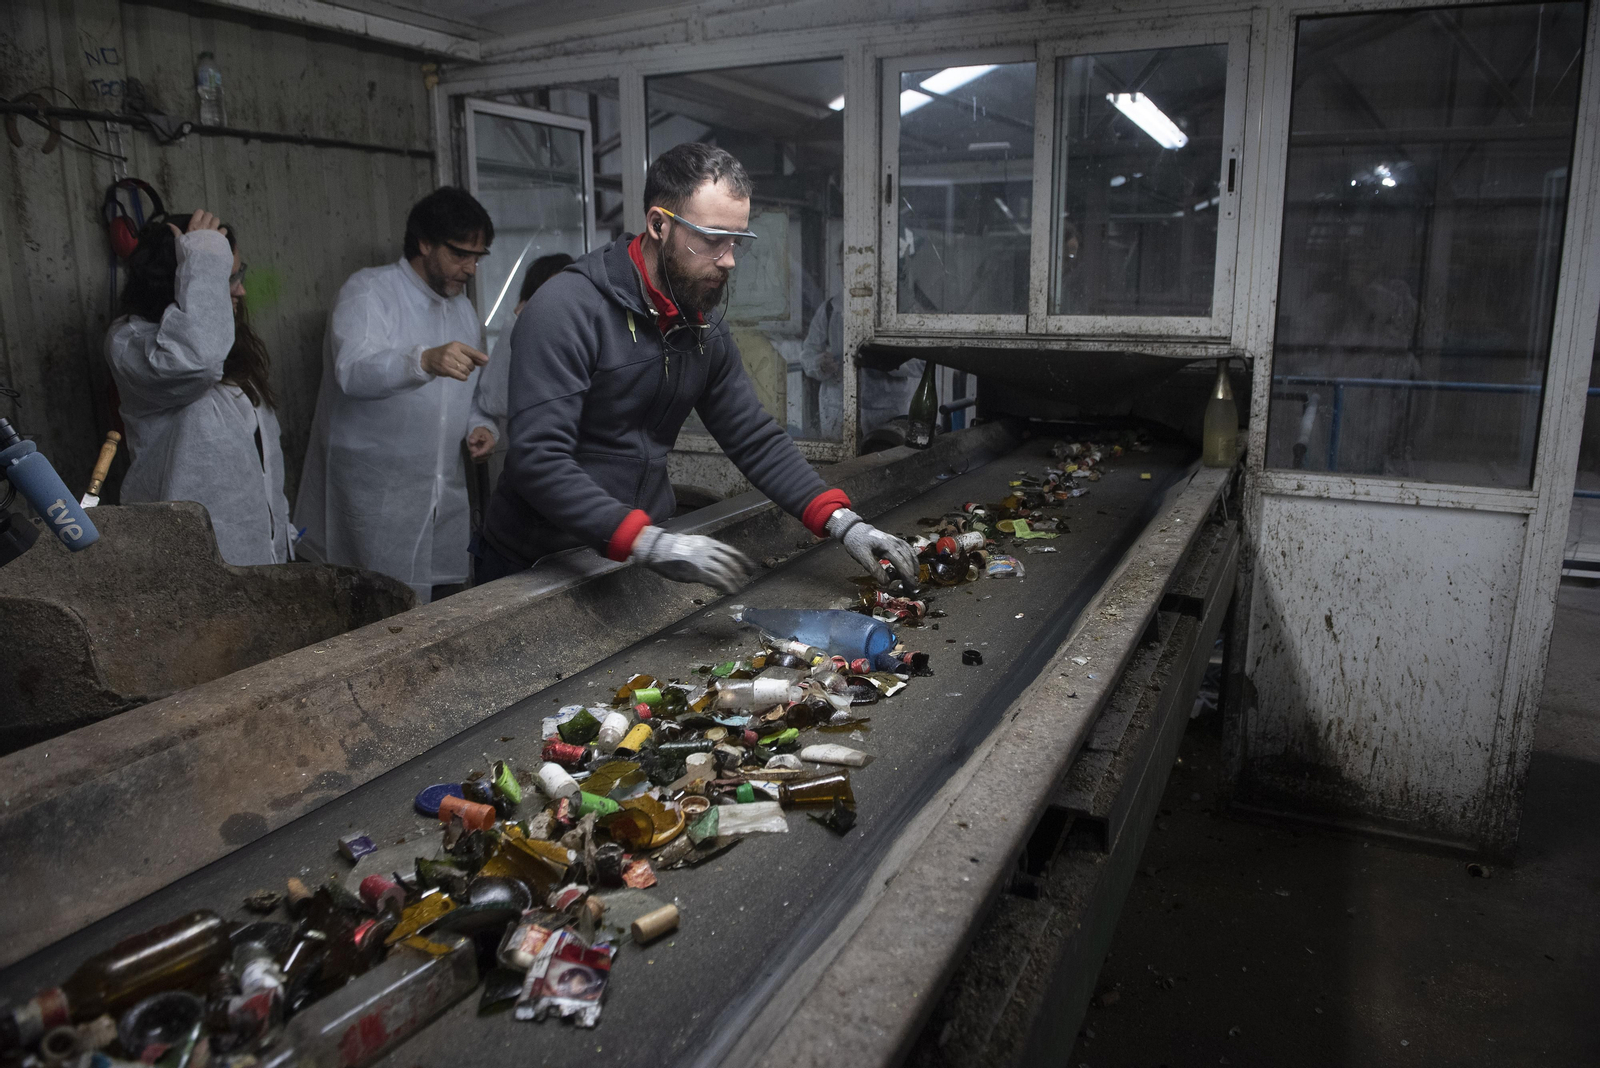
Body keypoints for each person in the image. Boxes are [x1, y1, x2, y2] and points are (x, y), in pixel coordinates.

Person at [477, 142, 918, 594]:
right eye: (711, 239)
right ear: (658, 225)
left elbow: (752, 436)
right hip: (536, 563)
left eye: (737, 242)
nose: (727, 259)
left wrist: (843, 522)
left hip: (627, 555)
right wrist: (648, 542)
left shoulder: (699, 325)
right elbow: (539, 460)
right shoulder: (566, 310)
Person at [295, 187, 493, 602]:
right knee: (372, 613)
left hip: (441, 497)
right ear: (424, 243)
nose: (471, 269)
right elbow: (352, 370)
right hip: (374, 501)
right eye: (461, 254)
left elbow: (468, 396)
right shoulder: (369, 291)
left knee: (437, 611)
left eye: (478, 257)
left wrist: (479, 425)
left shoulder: (463, 311)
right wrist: (421, 361)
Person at [106, 209, 292, 565]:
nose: (242, 289)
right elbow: (197, 361)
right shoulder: (128, 342)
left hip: (257, 551)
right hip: (189, 559)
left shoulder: (230, 342)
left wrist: (280, 536)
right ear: (185, 277)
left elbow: (264, 465)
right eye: (229, 275)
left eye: (238, 271)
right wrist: (204, 256)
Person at [799, 242, 923, 443]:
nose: (849, 271)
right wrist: (819, 364)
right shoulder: (830, 309)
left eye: (856, 264)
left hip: (887, 414)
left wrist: (888, 362)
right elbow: (807, 355)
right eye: (843, 264)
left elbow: (922, 362)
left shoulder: (898, 311)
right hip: (838, 411)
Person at [468, 253, 576, 451]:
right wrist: (517, 324)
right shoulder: (523, 331)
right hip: (533, 456)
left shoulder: (587, 335)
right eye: (546, 295)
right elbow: (494, 401)